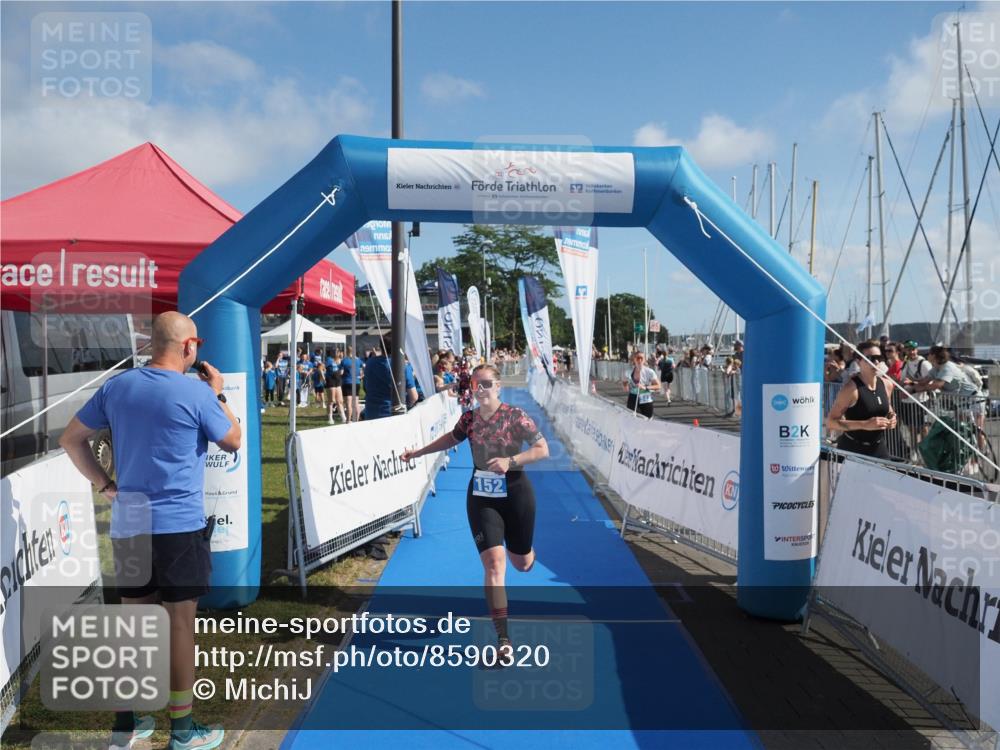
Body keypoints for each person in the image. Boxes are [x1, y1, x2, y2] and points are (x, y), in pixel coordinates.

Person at [59, 311, 240, 750]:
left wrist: (105, 486)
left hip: (130, 523)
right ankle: (182, 731)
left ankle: (128, 724)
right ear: (189, 347)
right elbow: (233, 439)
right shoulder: (196, 392)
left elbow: (70, 439)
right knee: (180, 627)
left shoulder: (117, 386)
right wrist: (217, 393)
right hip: (179, 526)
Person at [401, 365, 549, 662]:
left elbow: (542, 449)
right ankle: (503, 639)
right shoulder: (469, 419)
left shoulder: (515, 416)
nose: (481, 390)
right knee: (494, 564)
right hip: (482, 498)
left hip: (517, 494)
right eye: (475, 385)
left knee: (521, 564)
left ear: (498, 386)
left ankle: (526, 551)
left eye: (487, 384)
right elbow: (450, 439)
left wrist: (511, 461)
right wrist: (418, 453)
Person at [825, 340, 897, 459]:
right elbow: (831, 422)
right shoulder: (851, 389)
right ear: (858, 361)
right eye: (870, 358)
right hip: (853, 449)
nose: (876, 362)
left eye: (879, 358)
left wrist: (892, 417)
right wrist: (865, 424)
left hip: (879, 448)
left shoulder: (887, 384)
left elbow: (887, 407)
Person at [622, 351, 661, 418]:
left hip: (645, 398)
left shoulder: (649, 372)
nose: (639, 360)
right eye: (638, 358)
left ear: (644, 360)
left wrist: (645, 387)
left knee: (647, 420)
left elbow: (658, 386)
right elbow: (624, 381)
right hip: (633, 398)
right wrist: (625, 386)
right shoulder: (628, 372)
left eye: (641, 358)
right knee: (632, 419)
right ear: (634, 359)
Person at [340, 346, 362, 422]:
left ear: (346, 351)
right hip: (357, 382)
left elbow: (341, 372)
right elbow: (361, 372)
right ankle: (357, 420)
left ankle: (348, 421)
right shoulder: (358, 360)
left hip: (347, 382)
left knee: (348, 403)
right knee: (356, 403)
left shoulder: (344, 361)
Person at [325, 349, 346, 424]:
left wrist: (341, 365)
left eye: (338, 352)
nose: (337, 353)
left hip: (338, 381)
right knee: (331, 400)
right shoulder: (329, 360)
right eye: (336, 352)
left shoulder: (341, 360)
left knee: (340, 401)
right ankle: (330, 418)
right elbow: (323, 367)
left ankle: (343, 418)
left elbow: (341, 372)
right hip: (331, 381)